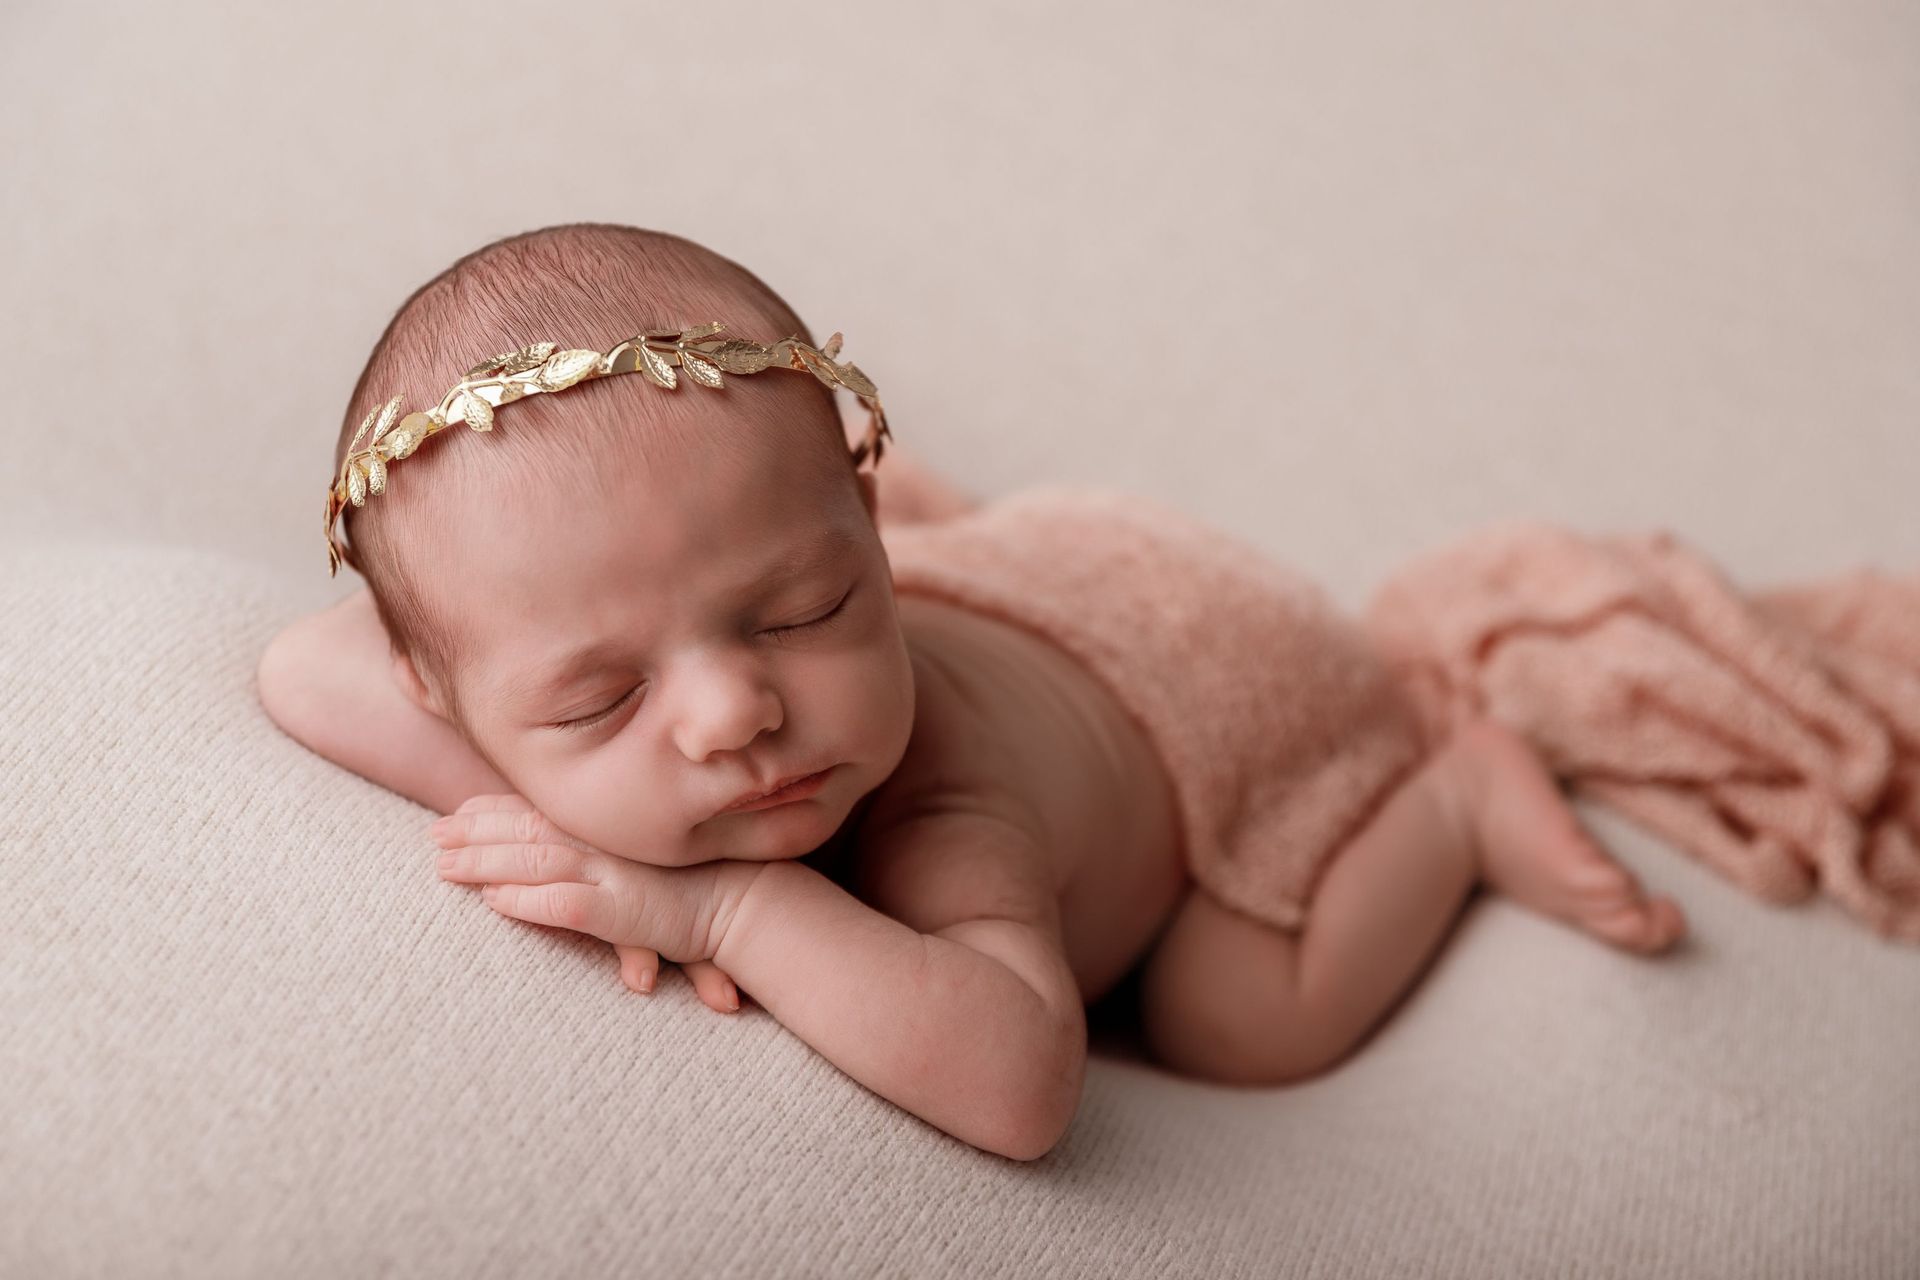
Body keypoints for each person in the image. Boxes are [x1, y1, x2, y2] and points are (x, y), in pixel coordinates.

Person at [257, 221, 1685, 1163]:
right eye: (597, 700)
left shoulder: (944, 802)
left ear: (869, 541)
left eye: (806, 612)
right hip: (1040, 574)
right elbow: (304, 667)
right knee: (692, 582)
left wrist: (721, 908)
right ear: (439, 693)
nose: (733, 715)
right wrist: (553, 798)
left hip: (1213, 690)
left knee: (1233, 1020)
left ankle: (1461, 802)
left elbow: (1021, 1087)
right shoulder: (549, 662)